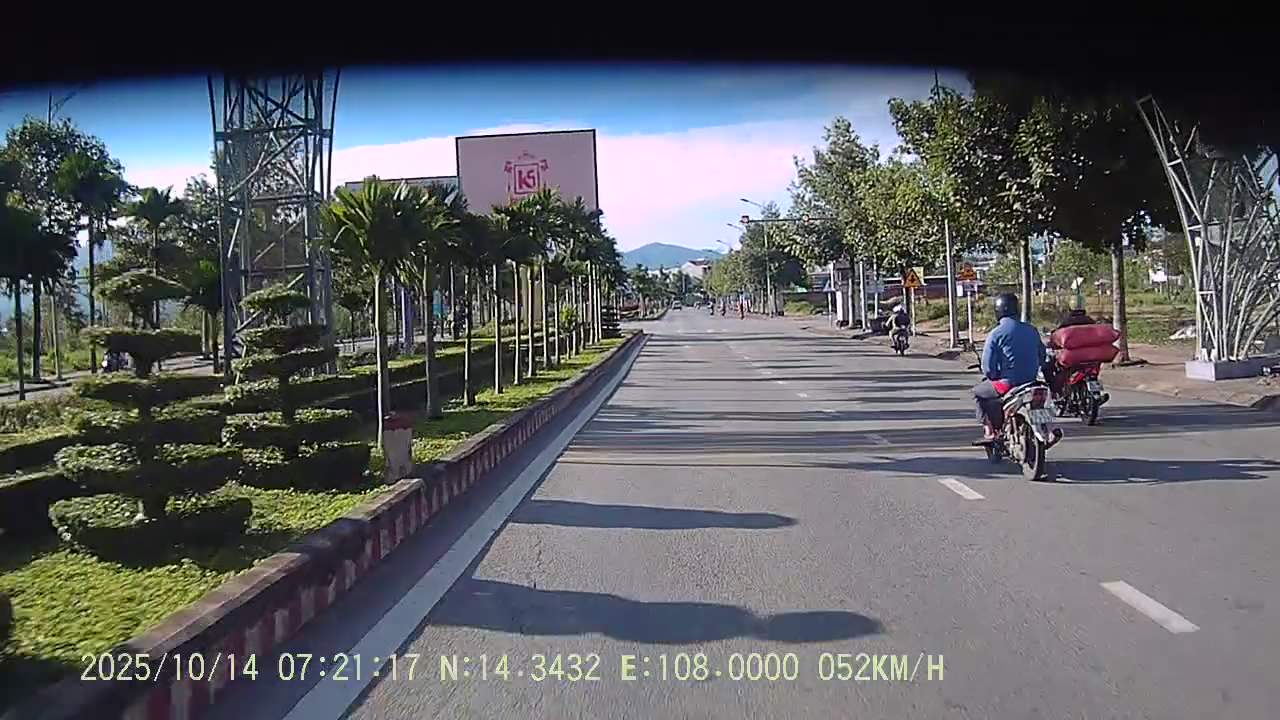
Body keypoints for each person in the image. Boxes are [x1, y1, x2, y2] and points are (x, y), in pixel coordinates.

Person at [973, 293, 1046, 443]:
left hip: (1009, 383)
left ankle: (989, 431)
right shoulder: (1032, 330)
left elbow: (988, 369)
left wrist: (994, 376)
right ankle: (1045, 429)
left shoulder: (996, 334)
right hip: (1031, 381)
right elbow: (1042, 356)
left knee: (979, 393)